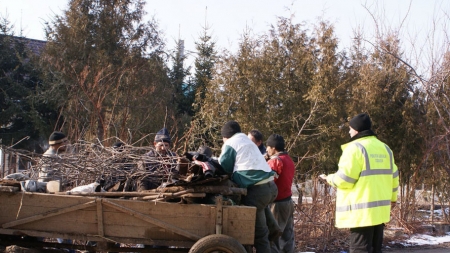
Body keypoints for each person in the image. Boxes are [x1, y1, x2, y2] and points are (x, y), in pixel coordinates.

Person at [320, 113, 399, 253]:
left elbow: (345, 179)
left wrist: (329, 179)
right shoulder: (385, 149)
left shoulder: (354, 148)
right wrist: (393, 200)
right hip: (380, 213)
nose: (349, 132)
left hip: (361, 214)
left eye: (350, 128)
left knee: (360, 249)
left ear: (356, 130)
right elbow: (394, 177)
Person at [219, 120, 278, 253]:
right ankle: (274, 230)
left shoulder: (230, 143)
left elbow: (224, 166)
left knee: (260, 234)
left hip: (258, 191)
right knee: (262, 219)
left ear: (225, 137)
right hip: (270, 187)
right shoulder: (246, 140)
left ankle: (270, 237)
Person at [266, 134, 296, 253]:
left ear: (273, 148)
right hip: (288, 202)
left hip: (277, 204)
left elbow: (268, 182)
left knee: (274, 238)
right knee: (287, 237)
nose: (267, 150)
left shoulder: (275, 161)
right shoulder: (289, 160)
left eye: (268, 147)